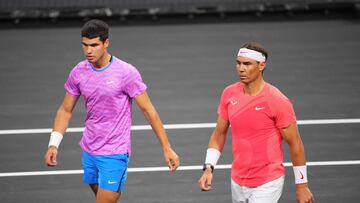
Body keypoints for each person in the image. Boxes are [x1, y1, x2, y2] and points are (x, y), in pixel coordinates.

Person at [44, 19, 180, 203]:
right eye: (84, 45)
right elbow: (65, 109)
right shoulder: (78, 71)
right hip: (89, 149)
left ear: (106, 43)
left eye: (94, 45)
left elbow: (149, 111)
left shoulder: (126, 73)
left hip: (115, 152)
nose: (88, 51)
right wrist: (54, 144)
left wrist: (167, 147)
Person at [198, 42, 314, 203]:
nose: (241, 68)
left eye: (247, 64)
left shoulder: (277, 100)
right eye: (238, 63)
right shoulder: (229, 94)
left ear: (261, 65)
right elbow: (219, 134)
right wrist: (208, 167)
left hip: (268, 182)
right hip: (238, 180)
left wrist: (301, 185)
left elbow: (296, 144)